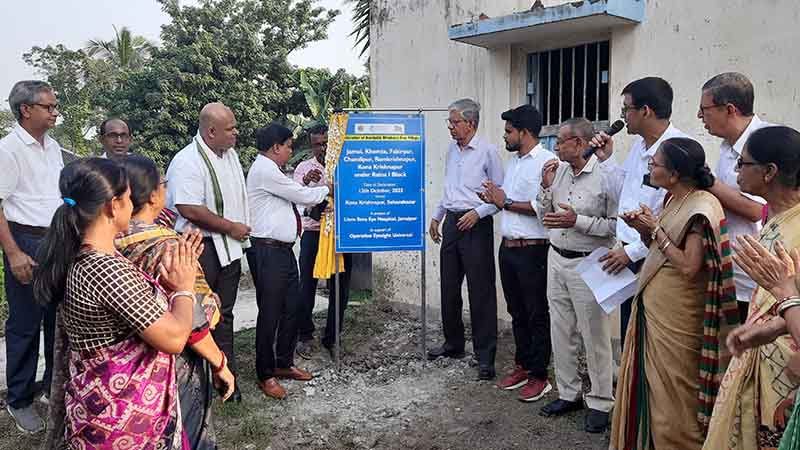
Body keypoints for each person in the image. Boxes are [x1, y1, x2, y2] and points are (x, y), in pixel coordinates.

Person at [34, 158, 198, 450]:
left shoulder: (89, 257)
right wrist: (184, 289)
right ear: (113, 205)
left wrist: (167, 288)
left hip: (106, 413)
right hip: (124, 422)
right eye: (127, 196)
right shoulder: (104, 269)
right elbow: (173, 338)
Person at [609, 138, 739, 449]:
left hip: (679, 321)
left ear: (675, 173)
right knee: (655, 392)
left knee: (675, 398)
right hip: (657, 311)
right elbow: (662, 246)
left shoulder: (701, 206)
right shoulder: (672, 199)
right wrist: (644, 227)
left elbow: (689, 266)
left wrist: (655, 230)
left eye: (655, 164)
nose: (650, 167)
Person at [115, 155, 235, 449]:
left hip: (129, 365)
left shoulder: (111, 238)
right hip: (175, 360)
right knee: (190, 432)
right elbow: (196, 322)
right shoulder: (168, 246)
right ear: (155, 194)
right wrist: (220, 362)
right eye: (164, 184)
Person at [703, 126, 800, 450]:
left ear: (769, 172)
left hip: (788, 367)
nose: (735, 171)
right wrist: (765, 328)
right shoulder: (777, 218)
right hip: (765, 346)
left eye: (743, 164)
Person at [591, 77, 691, 348]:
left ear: (645, 111)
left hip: (655, 255)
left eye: (626, 109)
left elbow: (674, 217)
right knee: (631, 334)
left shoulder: (679, 149)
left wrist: (632, 252)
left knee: (652, 339)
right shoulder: (640, 146)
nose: (623, 117)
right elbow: (622, 196)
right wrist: (607, 160)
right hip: (628, 252)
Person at [535, 118, 618, 433]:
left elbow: (614, 226)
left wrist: (578, 221)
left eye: (562, 140)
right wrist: (545, 188)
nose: (556, 146)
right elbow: (547, 216)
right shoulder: (560, 173)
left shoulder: (604, 176)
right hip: (557, 258)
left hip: (589, 263)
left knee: (593, 336)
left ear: (581, 144)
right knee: (561, 330)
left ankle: (600, 402)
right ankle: (568, 393)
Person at [166, 102, 250, 402]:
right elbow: (188, 208)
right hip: (200, 250)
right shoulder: (187, 160)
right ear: (211, 131)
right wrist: (230, 227)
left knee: (224, 316)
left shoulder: (230, 156)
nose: (236, 133)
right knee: (195, 317)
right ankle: (194, 386)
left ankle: (226, 380)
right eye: (230, 129)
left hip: (228, 249)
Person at [247, 123, 328, 399]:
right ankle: (266, 373)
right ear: (275, 147)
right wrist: (329, 187)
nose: (291, 151)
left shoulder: (273, 172)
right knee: (270, 312)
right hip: (267, 252)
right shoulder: (264, 170)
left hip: (282, 251)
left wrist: (303, 184)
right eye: (289, 146)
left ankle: (283, 363)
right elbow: (302, 196)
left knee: (290, 308)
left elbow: (291, 194)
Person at [479, 104, 555, 397]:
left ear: (524, 132)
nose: (505, 136)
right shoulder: (514, 164)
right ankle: (523, 366)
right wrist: (492, 197)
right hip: (508, 249)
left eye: (509, 131)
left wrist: (504, 202)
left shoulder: (547, 163)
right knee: (516, 311)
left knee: (536, 313)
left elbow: (541, 207)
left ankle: (540, 375)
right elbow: (504, 201)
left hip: (532, 250)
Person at [0, 80, 63, 433]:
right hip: (25, 241)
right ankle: (20, 398)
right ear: (26, 110)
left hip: (56, 241)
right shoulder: (8, 150)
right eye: (49, 107)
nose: (55, 112)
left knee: (58, 321)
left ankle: (53, 390)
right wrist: (14, 253)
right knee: (25, 324)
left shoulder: (52, 147)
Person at [428, 98, 504, 380]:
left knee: (480, 292)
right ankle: (453, 344)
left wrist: (479, 212)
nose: (451, 127)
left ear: (470, 123)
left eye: (455, 122)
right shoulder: (452, 150)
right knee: (448, 287)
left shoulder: (488, 152)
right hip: (451, 223)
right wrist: (437, 216)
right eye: (450, 122)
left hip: (476, 226)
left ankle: (485, 357)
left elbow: (500, 196)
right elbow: (450, 188)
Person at [699, 72, 769, 322]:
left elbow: (759, 211)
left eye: (704, 109)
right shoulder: (728, 146)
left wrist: (709, 183)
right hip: (730, 273)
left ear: (729, 109)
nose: (700, 117)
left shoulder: (765, 141)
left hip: (759, 280)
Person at [293, 124, 354, 359]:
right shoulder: (303, 169)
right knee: (306, 285)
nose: (322, 148)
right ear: (311, 145)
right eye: (317, 144)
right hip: (314, 234)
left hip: (341, 235)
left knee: (340, 286)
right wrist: (306, 183)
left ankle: (333, 336)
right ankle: (304, 335)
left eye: (326, 143)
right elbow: (296, 202)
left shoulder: (345, 165)